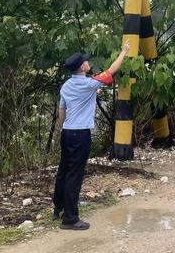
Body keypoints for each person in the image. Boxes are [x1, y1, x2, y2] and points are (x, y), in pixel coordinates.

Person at [53, 41, 130, 230]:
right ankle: (70, 219)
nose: (88, 62)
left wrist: (60, 129)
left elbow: (61, 112)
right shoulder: (88, 84)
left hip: (67, 132)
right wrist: (124, 52)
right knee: (75, 174)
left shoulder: (66, 86)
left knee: (64, 169)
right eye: (86, 62)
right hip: (81, 134)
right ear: (82, 67)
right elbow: (111, 71)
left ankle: (58, 207)